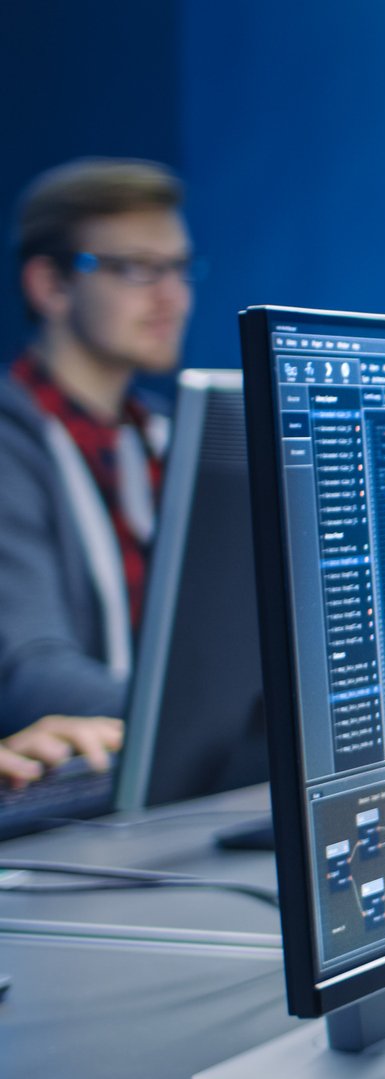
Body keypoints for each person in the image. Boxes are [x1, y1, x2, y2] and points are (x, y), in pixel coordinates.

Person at [0, 158, 196, 742]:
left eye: (180, 269)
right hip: (85, 791)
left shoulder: (171, 434)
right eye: (137, 269)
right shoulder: (13, 443)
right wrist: (210, 723)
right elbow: (28, 676)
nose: (172, 298)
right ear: (51, 285)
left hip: (172, 775)